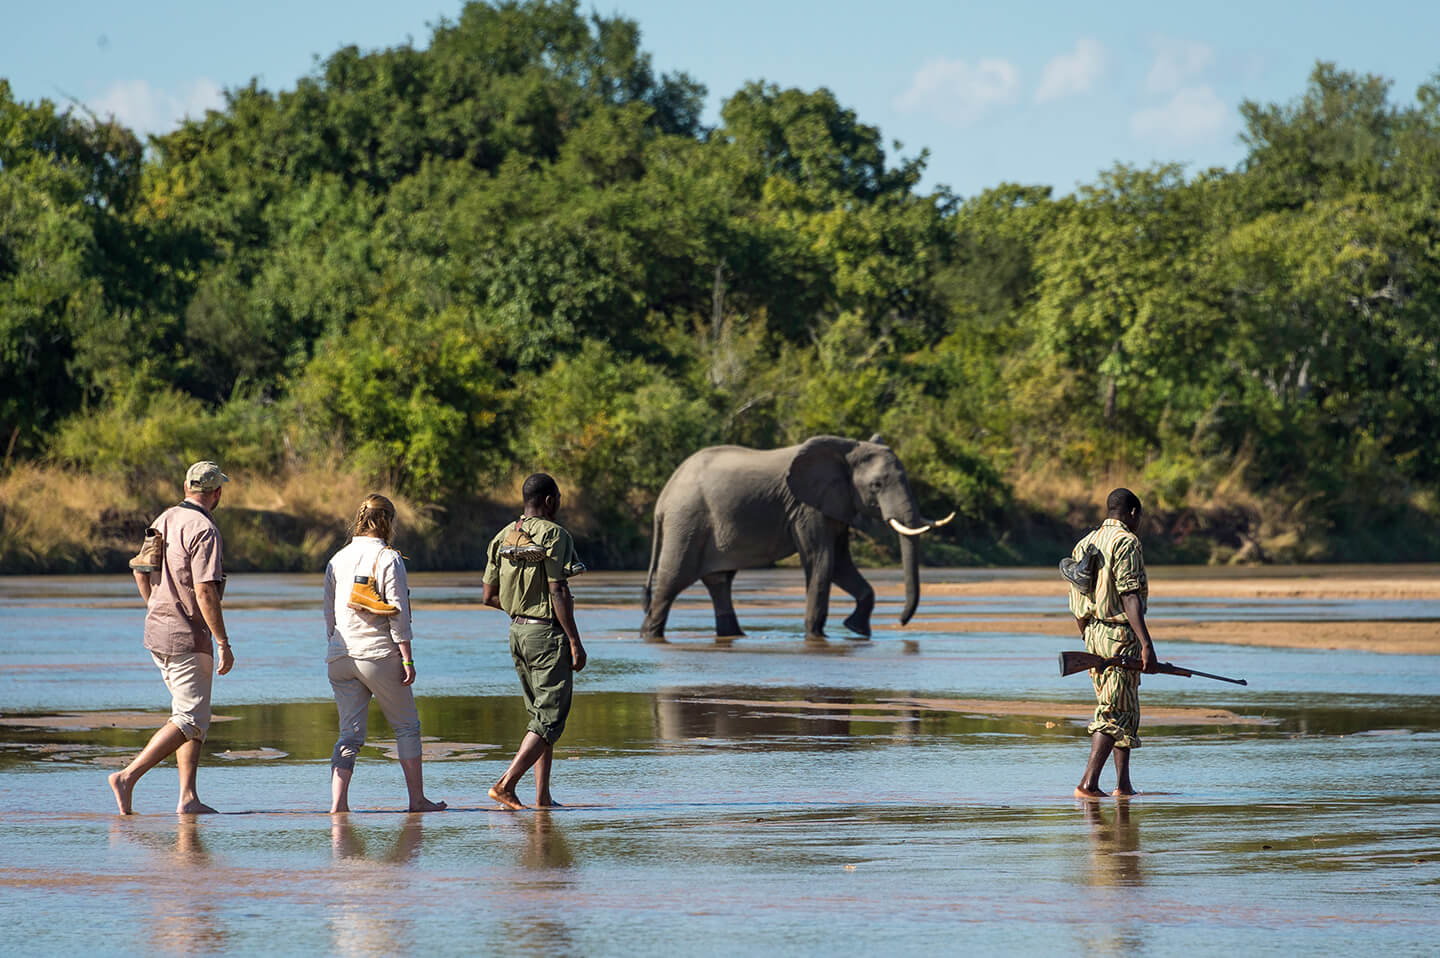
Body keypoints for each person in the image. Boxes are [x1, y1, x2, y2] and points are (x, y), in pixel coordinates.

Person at [108, 461, 236, 815]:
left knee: (189, 715)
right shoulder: (204, 529)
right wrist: (223, 642)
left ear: (186, 487)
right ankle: (128, 776)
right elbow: (206, 591)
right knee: (191, 719)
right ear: (217, 493)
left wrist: (156, 606)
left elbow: (140, 569)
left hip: (157, 633)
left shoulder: (164, 519)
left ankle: (187, 797)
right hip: (187, 636)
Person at [324, 494, 445, 813]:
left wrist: (336, 645)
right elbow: (398, 613)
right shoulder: (389, 558)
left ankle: (338, 805)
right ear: (388, 521)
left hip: (339, 655)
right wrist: (407, 657)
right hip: (377, 654)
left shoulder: (337, 558)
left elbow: (328, 614)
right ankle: (417, 800)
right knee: (407, 727)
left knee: (349, 735)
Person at [482, 473, 588, 810]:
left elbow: (488, 596)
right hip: (546, 635)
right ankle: (506, 784)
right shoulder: (556, 535)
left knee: (540, 717)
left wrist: (520, 610)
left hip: (518, 633)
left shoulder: (502, 536)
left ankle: (542, 797)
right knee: (550, 718)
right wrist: (574, 641)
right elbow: (558, 589)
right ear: (549, 500)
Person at [1068, 487, 1157, 799]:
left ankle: (1123, 785)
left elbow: (1076, 601)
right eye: (1140, 516)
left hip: (1093, 634)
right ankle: (1088, 784)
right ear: (1132, 512)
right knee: (1111, 710)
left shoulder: (1085, 543)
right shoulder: (1126, 541)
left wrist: (1089, 636)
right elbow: (1129, 594)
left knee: (1126, 708)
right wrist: (1146, 643)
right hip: (1119, 635)